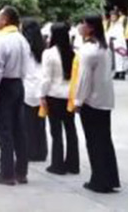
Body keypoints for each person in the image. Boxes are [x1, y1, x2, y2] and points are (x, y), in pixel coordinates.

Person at [74, 15, 120, 194]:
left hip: (91, 101)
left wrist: (78, 101)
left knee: (94, 141)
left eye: (83, 23)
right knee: (104, 140)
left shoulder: (88, 50)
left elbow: (84, 79)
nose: (80, 27)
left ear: (90, 28)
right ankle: (109, 178)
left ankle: (99, 180)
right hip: (105, 99)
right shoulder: (103, 48)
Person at [0, 6, 30, 186]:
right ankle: (21, 171)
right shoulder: (22, 40)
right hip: (18, 84)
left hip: (4, 85)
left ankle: (7, 173)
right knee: (19, 129)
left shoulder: (3, 41)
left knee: (4, 130)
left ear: (5, 20)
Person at [40, 23, 79, 175]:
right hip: (69, 95)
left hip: (54, 94)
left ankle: (57, 164)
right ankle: (73, 164)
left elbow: (46, 79)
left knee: (56, 131)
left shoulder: (49, 53)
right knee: (70, 129)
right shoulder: (73, 53)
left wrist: (42, 95)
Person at [21, 19, 47, 163]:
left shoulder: (24, 47)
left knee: (27, 123)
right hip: (40, 88)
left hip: (27, 88)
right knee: (40, 123)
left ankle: (30, 151)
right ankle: (41, 151)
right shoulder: (43, 47)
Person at [105, 14, 128, 80]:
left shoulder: (119, 25)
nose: (112, 18)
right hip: (113, 44)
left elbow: (118, 34)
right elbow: (108, 34)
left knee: (120, 59)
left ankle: (121, 73)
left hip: (119, 44)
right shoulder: (111, 25)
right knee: (116, 59)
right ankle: (117, 72)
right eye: (111, 17)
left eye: (114, 17)